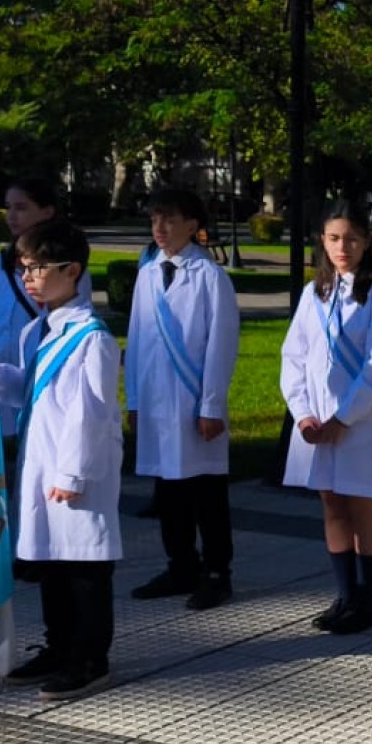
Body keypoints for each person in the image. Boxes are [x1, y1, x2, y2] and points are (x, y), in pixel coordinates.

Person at [0, 219, 123, 701]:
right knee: (50, 561)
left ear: (72, 271)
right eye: (23, 268)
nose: (28, 278)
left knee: (84, 566)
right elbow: (34, 393)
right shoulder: (39, 330)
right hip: (42, 463)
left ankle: (90, 658)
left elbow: (90, 414)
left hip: (76, 471)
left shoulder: (92, 337)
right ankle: (59, 645)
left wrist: (72, 474)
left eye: (38, 268)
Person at [281, 203, 372, 634]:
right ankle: (345, 594)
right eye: (334, 238)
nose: (342, 247)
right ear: (322, 240)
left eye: (351, 239)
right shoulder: (315, 292)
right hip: (316, 422)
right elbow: (293, 356)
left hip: (362, 420)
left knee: (361, 503)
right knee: (331, 501)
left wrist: (342, 418)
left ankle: (367, 599)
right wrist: (303, 415)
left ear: (366, 242)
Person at [123, 187, 239, 610]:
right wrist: (134, 400)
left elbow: (220, 345)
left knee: (205, 492)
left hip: (193, 401)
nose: (160, 227)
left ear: (192, 225)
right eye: (155, 218)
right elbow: (137, 339)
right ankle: (180, 565)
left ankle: (217, 572)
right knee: (168, 490)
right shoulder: (148, 273)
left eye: (169, 219)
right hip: (156, 401)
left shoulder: (210, 276)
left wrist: (211, 405)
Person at [0, 177, 90, 447]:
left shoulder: (64, 265)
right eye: (9, 207)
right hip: (5, 367)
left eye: (21, 208)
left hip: (47, 363)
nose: (12, 216)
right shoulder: (0, 262)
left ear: (47, 212)